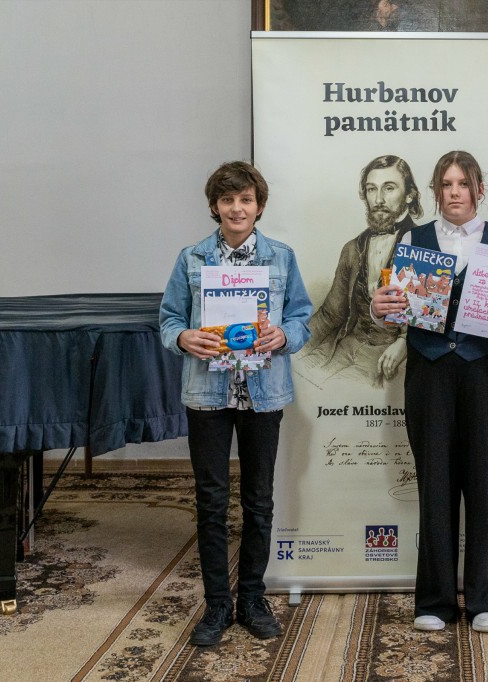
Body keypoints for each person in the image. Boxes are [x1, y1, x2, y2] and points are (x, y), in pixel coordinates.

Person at [370, 150, 488, 634]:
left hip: (484, 370)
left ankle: (486, 599)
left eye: (464, 183)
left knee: (484, 480)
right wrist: (380, 308)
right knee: (435, 481)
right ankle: (435, 600)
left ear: (479, 189)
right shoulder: (413, 240)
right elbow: (391, 308)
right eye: (447, 184)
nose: (455, 192)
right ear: (436, 191)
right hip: (429, 372)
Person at [159, 161, 313, 647]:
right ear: (214, 206)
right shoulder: (192, 258)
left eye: (245, 199)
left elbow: (302, 319)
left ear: (259, 206)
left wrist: (283, 335)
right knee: (210, 501)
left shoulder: (281, 258)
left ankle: (251, 598)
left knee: (259, 500)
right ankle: (217, 604)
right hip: (208, 394)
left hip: (263, 394)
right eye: (227, 200)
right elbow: (168, 319)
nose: (236, 208)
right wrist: (183, 337)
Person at [301, 154, 421, 386]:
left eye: (389, 188)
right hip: (347, 345)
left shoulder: (423, 245)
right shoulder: (352, 249)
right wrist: (295, 347)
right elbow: (331, 314)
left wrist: (404, 341)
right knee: (305, 373)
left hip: (391, 357)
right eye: (371, 189)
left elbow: (430, 322)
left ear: (409, 195)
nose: (378, 199)